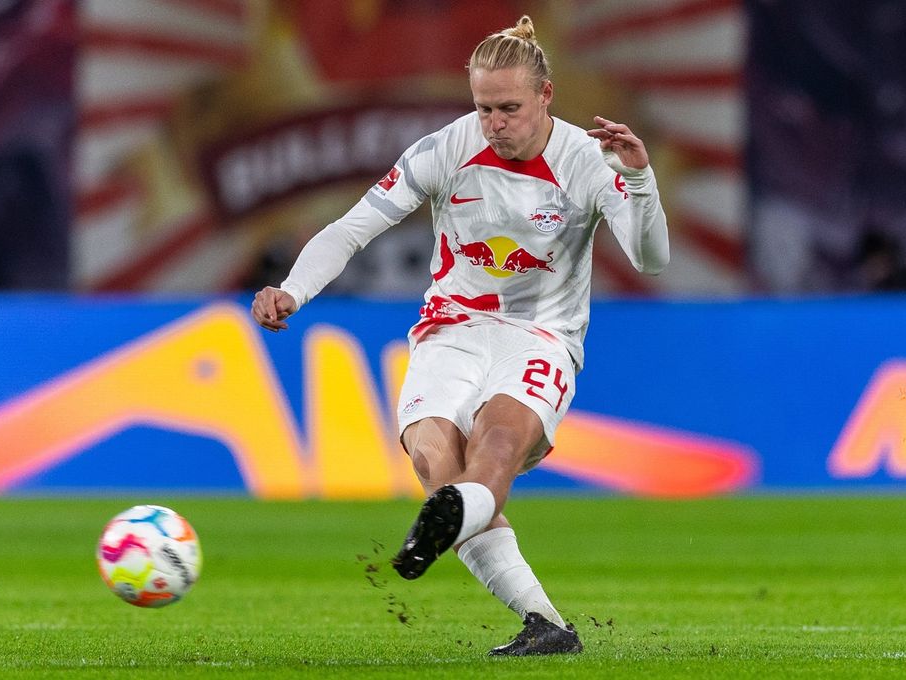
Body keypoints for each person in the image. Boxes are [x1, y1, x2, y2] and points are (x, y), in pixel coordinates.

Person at [251, 15, 669, 656]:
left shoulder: (585, 160)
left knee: (495, 445)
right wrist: (295, 288)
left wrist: (638, 179)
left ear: (546, 95)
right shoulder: (444, 149)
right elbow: (352, 228)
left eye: (509, 109)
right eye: (483, 108)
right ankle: (546, 625)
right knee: (432, 457)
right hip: (452, 329)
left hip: (541, 335)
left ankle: (448, 519)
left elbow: (649, 258)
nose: (494, 123)